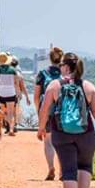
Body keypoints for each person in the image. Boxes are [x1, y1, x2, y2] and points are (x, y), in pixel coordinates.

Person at [38, 53, 95, 188]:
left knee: (68, 170)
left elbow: (44, 109)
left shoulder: (54, 85)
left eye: (61, 65)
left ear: (65, 67)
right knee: (85, 166)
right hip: (86, 133)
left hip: (61, 133)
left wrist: (41, 128)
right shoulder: (88, 87)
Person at [34, 46, 64, 180]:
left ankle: (51, 168)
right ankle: (63, 171)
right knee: (63, 142)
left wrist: (39, 112)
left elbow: (36, 96)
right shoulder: (66, 75)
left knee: (48, 141)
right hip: (63, 112)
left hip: (47, 111)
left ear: (50, 59)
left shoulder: (42, 74)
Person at [0, 52, 21, 136]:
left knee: (3, 112)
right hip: (11, 93)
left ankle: (4, 127)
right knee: (11, 112)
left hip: (1, 93)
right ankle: (11, 129)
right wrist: (18, 92)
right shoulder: (13, 70)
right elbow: (16, 83)